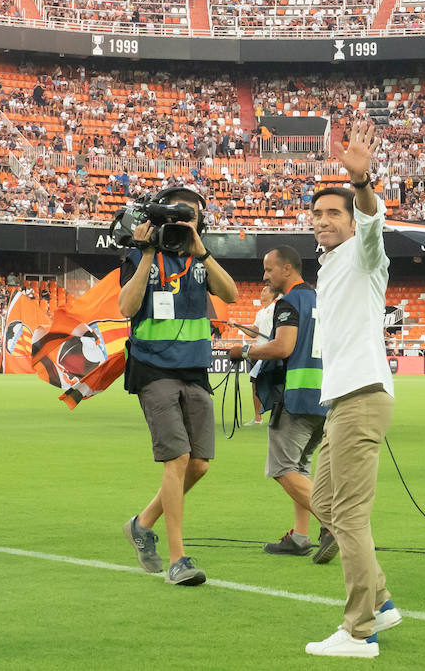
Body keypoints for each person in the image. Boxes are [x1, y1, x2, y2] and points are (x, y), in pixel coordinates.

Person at [304, 117, 402, 659]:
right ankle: (381, 601)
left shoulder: (366, 255)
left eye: (332, 213)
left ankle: (359, 629)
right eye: (317, 213)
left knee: (349, 515)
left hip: (362, 395)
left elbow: (371, 221)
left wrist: (361, 183)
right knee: (324, 501)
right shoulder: (331, 264)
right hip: (343, 398)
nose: (323, 220)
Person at [117, 186, 238, 587]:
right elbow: (126, 308)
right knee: (178, 459)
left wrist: (201, 250)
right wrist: (148, 253)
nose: (187, 222)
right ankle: (178, 559)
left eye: (194, 216)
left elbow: (231, 294)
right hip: (153, 368)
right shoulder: (139, 255)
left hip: (195, 369)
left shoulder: (199, 258)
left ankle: (141, 523)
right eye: (180, 216)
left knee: (199, 464)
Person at [229, 246, 325, 556]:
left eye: (269, 269)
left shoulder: (289, 302)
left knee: (283, 469)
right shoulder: (321, 300)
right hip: (324, 396)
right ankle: (300, 536)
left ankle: (338, 525)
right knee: (300, 467)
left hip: (295, 396)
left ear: (287, 269)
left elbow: (283, 347)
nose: (265, 275)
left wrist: (244, 351)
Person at [246, 282, 280, 427]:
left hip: (270, 351)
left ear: (272, 294)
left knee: (273, 385)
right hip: (261, 353)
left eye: (265, 290)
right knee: (255, 382)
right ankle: (258, 417)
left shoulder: (275, 308)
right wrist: (237, 326)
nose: (262, 292)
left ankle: (271, 417)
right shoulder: (260, 312)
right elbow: (254, 332)